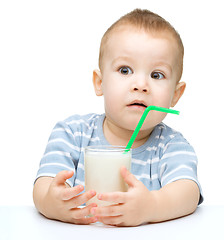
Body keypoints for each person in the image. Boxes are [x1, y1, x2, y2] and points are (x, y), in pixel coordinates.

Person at [33, 8, 203, 227]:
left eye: (156, 75)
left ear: (175, 95)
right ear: (99, 82)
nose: (140, 85)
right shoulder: (72, 133)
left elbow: (188, 192)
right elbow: (43, 185)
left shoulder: (171, 146)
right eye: (125, 70)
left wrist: (152, 206)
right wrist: (51, 202)